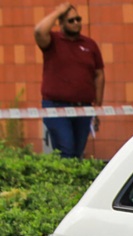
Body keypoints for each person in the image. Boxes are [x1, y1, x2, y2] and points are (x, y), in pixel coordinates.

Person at [33, 2, 103, 158]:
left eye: (78, 19)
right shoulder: (53, 40)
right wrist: (59, 11)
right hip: (56, 106)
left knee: (77, 152)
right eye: (71, 20)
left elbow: (99, 75)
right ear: (61, 23)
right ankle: (63, 180)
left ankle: (72, 181)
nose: (76, 23)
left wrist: (97, 107)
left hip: (84, 107)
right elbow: (39, 31)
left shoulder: (89, 45)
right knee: (67, 149)